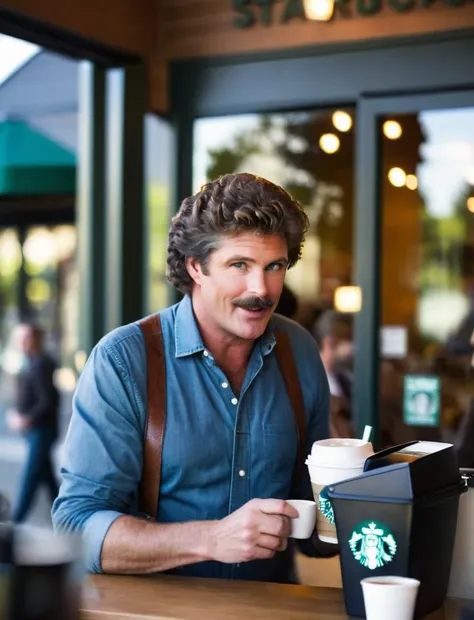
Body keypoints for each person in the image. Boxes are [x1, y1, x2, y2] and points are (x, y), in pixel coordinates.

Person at [52, 172, 332, 582]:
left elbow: (315, 533)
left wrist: (362, 504)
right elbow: (76, 525)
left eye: (275, 266)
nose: (262, 289)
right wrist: (212, 538)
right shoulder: (124, 360)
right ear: (196, 266)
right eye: (240, 265)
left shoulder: (300, 352)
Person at [6, 323, 59, 522]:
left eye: (25, 338)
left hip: (41, 431)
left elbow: (47, 400)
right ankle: (71, 520)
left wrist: (26, 419)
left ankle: (13, 523)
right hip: (36, 431)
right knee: (48, 480)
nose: (21, 342)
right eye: (20, 338)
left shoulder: (41, 364)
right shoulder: (32, 362)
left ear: (36, 339)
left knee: (30, 478)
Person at [313, 310, 355, 438]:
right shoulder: (310, 381)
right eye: (348, 340)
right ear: (329, 343)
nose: (352, 348)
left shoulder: (345, 378)